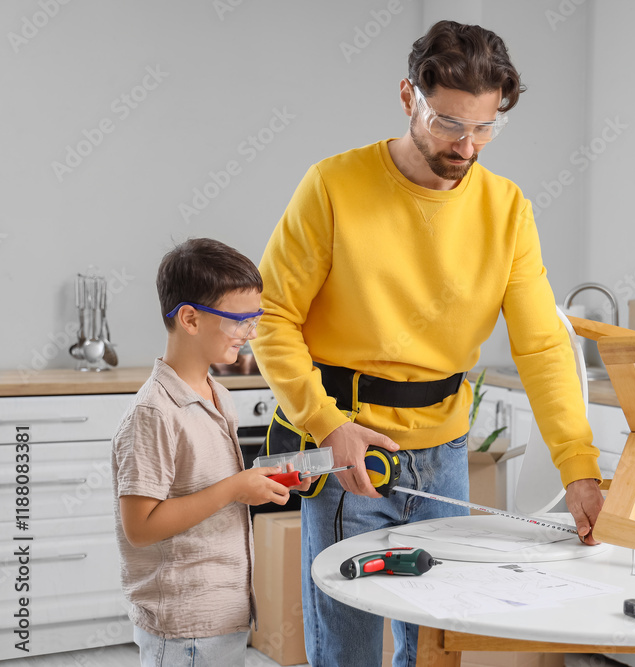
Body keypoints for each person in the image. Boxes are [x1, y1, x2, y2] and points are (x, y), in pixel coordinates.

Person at [252, 20, 604, 667]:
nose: (467, 146)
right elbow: (271, 317)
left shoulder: (508, 209)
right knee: (350, 648)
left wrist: (579, 468)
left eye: (484, 127)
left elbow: (543, 347)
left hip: (443, 454)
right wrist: (327, 425)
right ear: (409, 95)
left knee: (435, 647)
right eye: (448, 123)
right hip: (351, 453)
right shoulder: (333, 187)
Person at [111, 238, 310, 667]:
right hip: (185, 622)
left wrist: (265, 481)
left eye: (254, 318)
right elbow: (141, 528)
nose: (251, 333)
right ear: (190, 319)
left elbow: (211, 484)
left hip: (225, 612)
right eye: (239, 320)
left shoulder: (216, 392)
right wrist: (235, 488)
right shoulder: (153, 413)